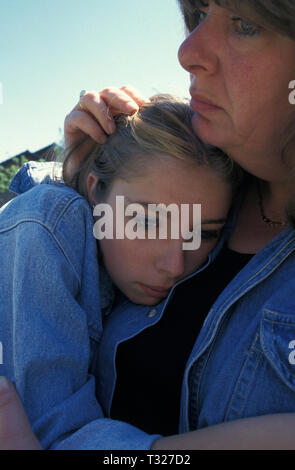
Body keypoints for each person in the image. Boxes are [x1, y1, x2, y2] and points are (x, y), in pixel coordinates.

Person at [1, 0, 295, 450]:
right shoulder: (59, 226)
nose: (176, 262)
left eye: (245, 23)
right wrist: (78, 170)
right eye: (198, 14)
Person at [0, 94, 241, 450]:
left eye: (203, 233)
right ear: (96, 191)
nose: (174, 266)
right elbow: (50, 432)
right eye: (146, 222)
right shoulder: (47, 223)